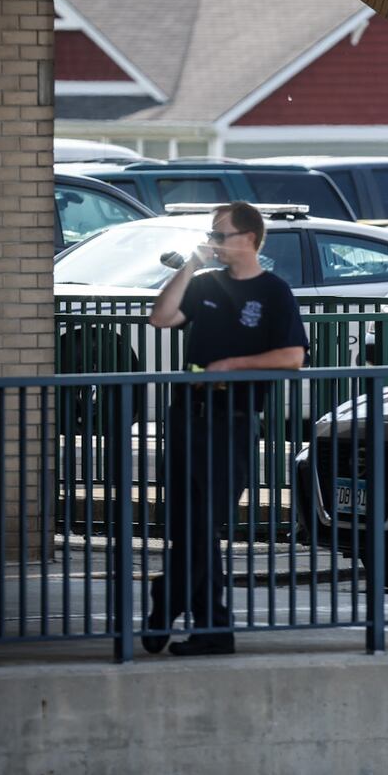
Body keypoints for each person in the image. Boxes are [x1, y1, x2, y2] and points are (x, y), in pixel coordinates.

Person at [145, 201, 308, 657]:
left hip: (232, 421)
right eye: (210, 234)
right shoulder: (203, 284)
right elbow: (160, 318)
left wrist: (233, 364)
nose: (213, 241)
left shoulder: (274, 292)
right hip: (186, 418)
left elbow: (292, 357)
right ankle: (214, 629)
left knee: (203, 524)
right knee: (189, 526)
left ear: (249, 239)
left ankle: (168, 598)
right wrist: (192, 263)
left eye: (221, 235)